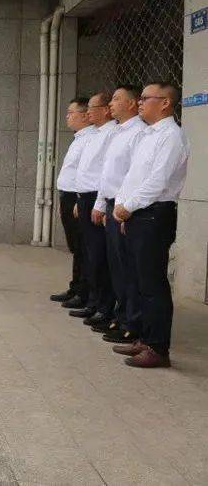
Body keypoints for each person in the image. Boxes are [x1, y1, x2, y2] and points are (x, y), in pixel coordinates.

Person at [111, 82, 190, 369]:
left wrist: (127, 207)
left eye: (146, 98)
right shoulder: (148, 135)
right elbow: (132, 176)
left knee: (153, 283)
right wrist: (124, 209)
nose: (140, 103)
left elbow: (157, 182)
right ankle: (143, 338)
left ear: (166, 103)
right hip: (137, 215)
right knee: (139, 281)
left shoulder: (171, 136)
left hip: (154, 215)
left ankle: (158, 348)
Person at [92, 85, 145, 345]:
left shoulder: (139, 133)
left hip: (126, 207)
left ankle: (131, 323)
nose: (110, 103)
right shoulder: (118, 132)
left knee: (128, 269)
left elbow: (135, 176)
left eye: (116, 99)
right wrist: (101, 204)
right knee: (116, 267)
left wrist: (125, 210)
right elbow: (107, 173)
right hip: (113, 204)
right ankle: (120, 316)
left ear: (132, 104)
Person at [71, 92, 118, 328]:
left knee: (100, 256)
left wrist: (99, 203)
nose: (88, 112)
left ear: (106, 110)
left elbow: (105, 174)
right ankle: (94, 301)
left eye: (92, 107)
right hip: (88, 198)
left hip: (102, 200)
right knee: (90, 254)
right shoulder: (95, 134)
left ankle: (104, 306)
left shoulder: (112, 133)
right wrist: (81, 199)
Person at [50, 97, 95, 308]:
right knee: (76, 247)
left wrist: (79, 199)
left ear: (86, 115)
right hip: (68, 197)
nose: (67, 117)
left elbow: (87, 174)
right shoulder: (79, 138)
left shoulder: (91, 138)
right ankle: (75, 287)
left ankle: (84, 292)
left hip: (78, 198)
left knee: (83, 247)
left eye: (71, 113)